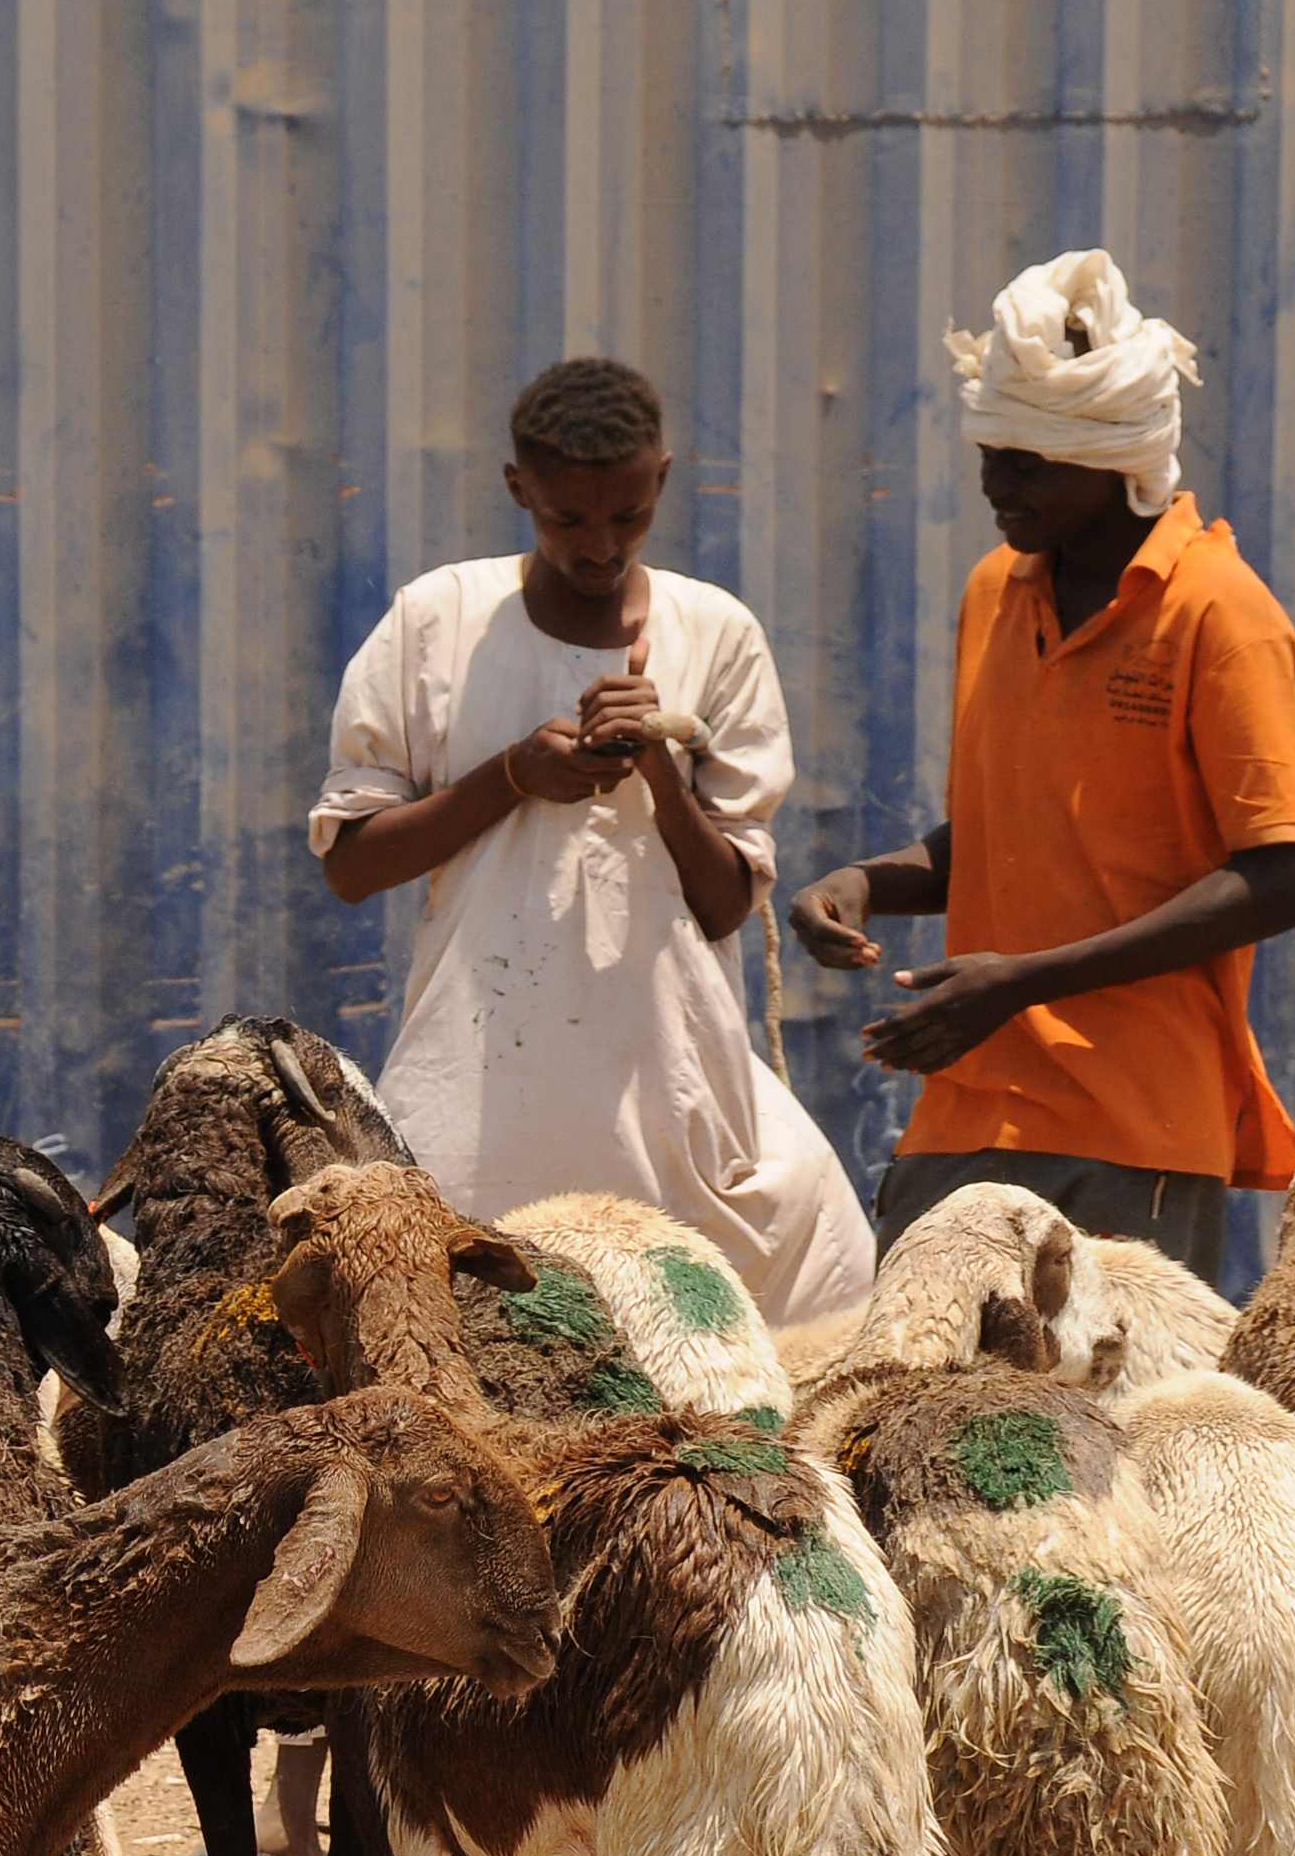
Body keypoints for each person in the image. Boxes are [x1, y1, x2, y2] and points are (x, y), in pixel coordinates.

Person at [307, 356, 874, 1332]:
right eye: (566, 519)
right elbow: (352, 865)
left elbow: (728, 902)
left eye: (627, 517)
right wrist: (511, 777)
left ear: (660, 478)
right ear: (518, 491)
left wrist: (656, 765)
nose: (600, 546)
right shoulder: (436, 622)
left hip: (672, 1111)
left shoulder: (717, 635)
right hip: (477, 1105)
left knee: (727, 1353)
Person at [791, 250, 1295, 1284]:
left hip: (1137, 1128)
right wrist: (861, 884)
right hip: (968, 1112)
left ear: (1112, 457)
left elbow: (1281, 876)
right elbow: (1013, 833)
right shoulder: (996, 591)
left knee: (1123, 1438)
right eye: (991, 450)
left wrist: (1022, 982)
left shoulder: (1221, 614)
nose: (995, 482)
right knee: (905, 1425)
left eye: (1026, 461)